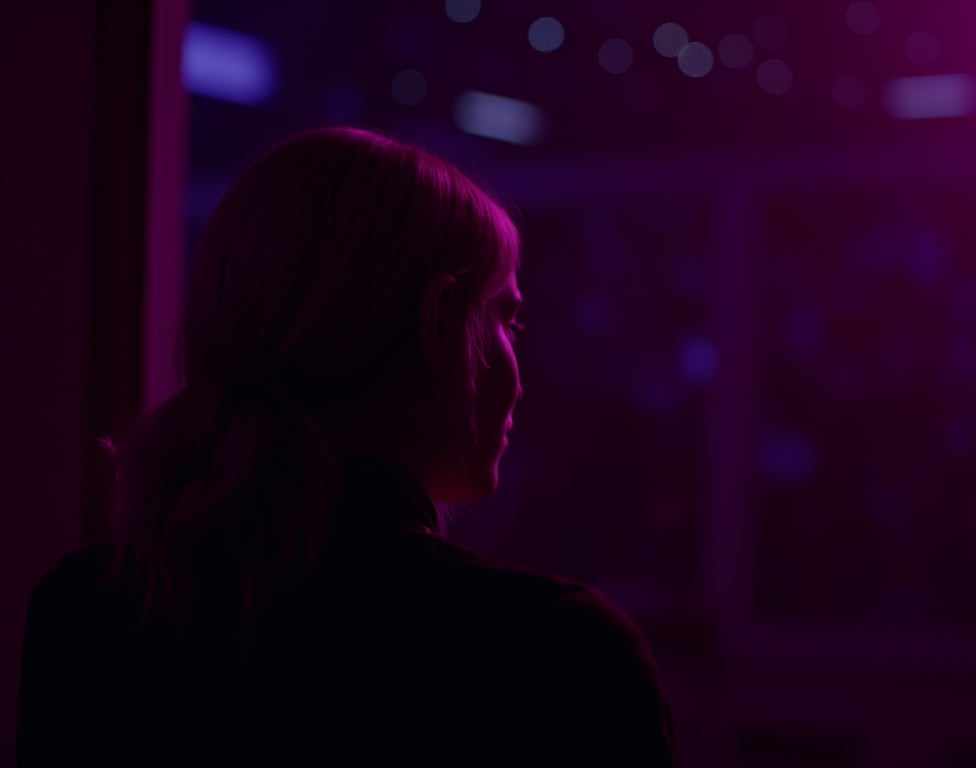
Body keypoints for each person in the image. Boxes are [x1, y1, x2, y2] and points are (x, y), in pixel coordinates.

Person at [15, 127, 677, 766]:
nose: (520, 377)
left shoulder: (82, 614)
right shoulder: (556, 657)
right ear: (439, 322)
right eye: (506, 317)